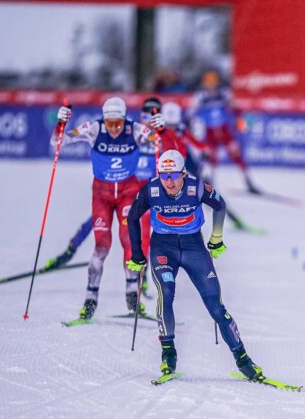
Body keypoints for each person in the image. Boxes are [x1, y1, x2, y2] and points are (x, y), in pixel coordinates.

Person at [125, 150, 265, 381]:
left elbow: (220, 206)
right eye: (163, 175)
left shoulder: (196, 186)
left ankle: (243, 360)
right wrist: (138, 254)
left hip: (193, 247)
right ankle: (168, 356)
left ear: (183, 173)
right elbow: (132, 217)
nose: (168, 182)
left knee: (216, 307)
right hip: (163, 248)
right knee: (165, 294)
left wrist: (216, 238)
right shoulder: (151, 189)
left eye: (173, 176)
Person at [52, 97, 164, 320]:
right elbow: (58, 142)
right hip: (101, 195)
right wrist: (60, 124)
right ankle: (90, 301)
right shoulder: (94, 128)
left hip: (128, 193)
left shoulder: (134, 129)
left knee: (129, 242)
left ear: (124, 119)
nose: (113, 129)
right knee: (101, 247)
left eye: (118, 124)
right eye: (110, 123)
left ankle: (133, 297)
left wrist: (159, 128)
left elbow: (159, 143)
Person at [188, 70, 261, 193]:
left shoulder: (223, 93)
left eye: (213, 82)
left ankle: (249, 182)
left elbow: (234, 108)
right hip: (210, 133)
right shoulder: (200, 96)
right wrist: (192, 123)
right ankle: (209, 186)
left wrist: (239, 118)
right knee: (211, 160)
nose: (210, 85)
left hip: (225, 132)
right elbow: (192, 112)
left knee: (237, 156)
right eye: (208, 83)